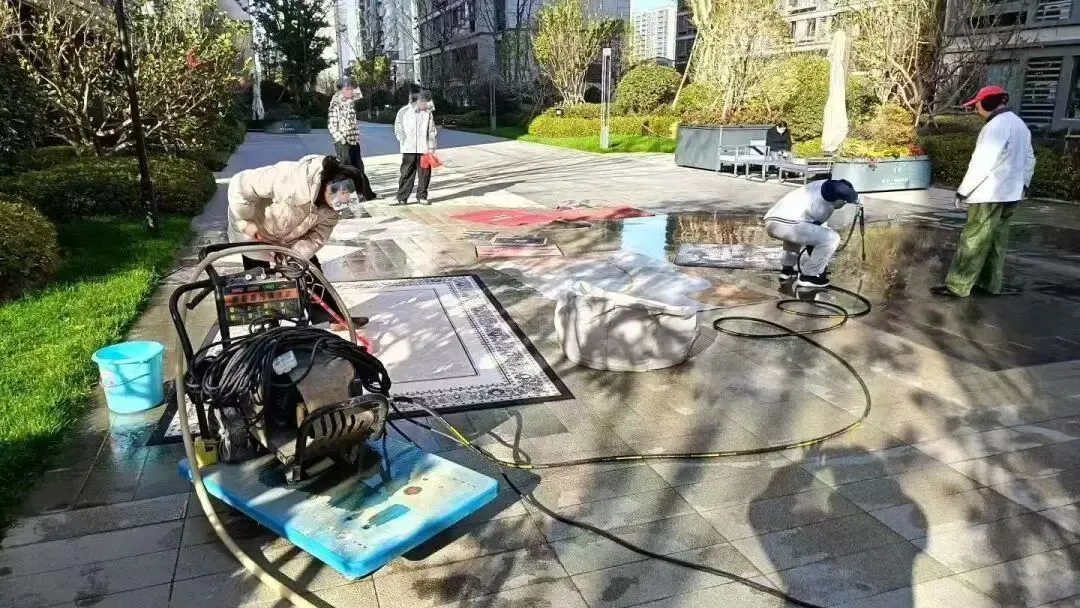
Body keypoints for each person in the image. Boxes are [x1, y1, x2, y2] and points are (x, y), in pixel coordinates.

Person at [227, 154, 368, 328]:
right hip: (251, 229)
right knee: (257, 276)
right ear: (331, 183)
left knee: (309, 270)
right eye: (344, 193)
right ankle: (264, 323)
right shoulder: (292, 177)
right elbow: (240, 183)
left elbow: (316, 237)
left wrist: (292, 257)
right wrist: (245, 220)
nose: (343, 203)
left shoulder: (332, 210)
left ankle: (334, 318)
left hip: (287, 236)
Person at [932, 85, 1035, 298]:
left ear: (988, 102)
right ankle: (989, 284)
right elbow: (1030, 159)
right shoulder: (1020, 124)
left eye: (977, 105)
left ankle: (958, 286)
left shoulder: (994, 127)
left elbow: (982, 163)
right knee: (997, 241)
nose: (976, 109)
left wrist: (963, 191)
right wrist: (1024, 185)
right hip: (1011, 194)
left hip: (988, 193)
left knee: (973, 239)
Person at [763, 178, 860, 288]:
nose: (844, 204)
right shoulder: (828, 192)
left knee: (797, 234)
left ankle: (787, 270)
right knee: (832, 239)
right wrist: (854, 197)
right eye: (844, 201)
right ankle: (809, 277)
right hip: (787, 223)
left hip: (773, 222)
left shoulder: (816, 189)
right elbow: (839, 188)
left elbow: (812, 238)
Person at [327, 77, 378, 201]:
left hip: (354, 140)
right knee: (346, 169)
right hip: (343, 142)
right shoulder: (336, 104)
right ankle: (345, 197)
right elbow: (331, 125)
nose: (351, 91)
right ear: (340, 90)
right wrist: (341, 138)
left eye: (351, 89)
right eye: (347, 89)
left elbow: (359, 94)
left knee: (359, 168)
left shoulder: (349, 101)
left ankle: (365, 194)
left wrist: (352, 81)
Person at [393, 90, 438, 205]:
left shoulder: (428, 113)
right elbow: (398, 127)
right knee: (406, 173)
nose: (426, 103)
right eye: (423, 101)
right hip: (409, 148)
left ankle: (422, 196)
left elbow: (431, 130)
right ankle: (402, 196)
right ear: (416, 101)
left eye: (426, 101)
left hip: (424, 148)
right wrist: (404, 140)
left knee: (425, 173)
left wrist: (431, 146)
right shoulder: (404, 111)